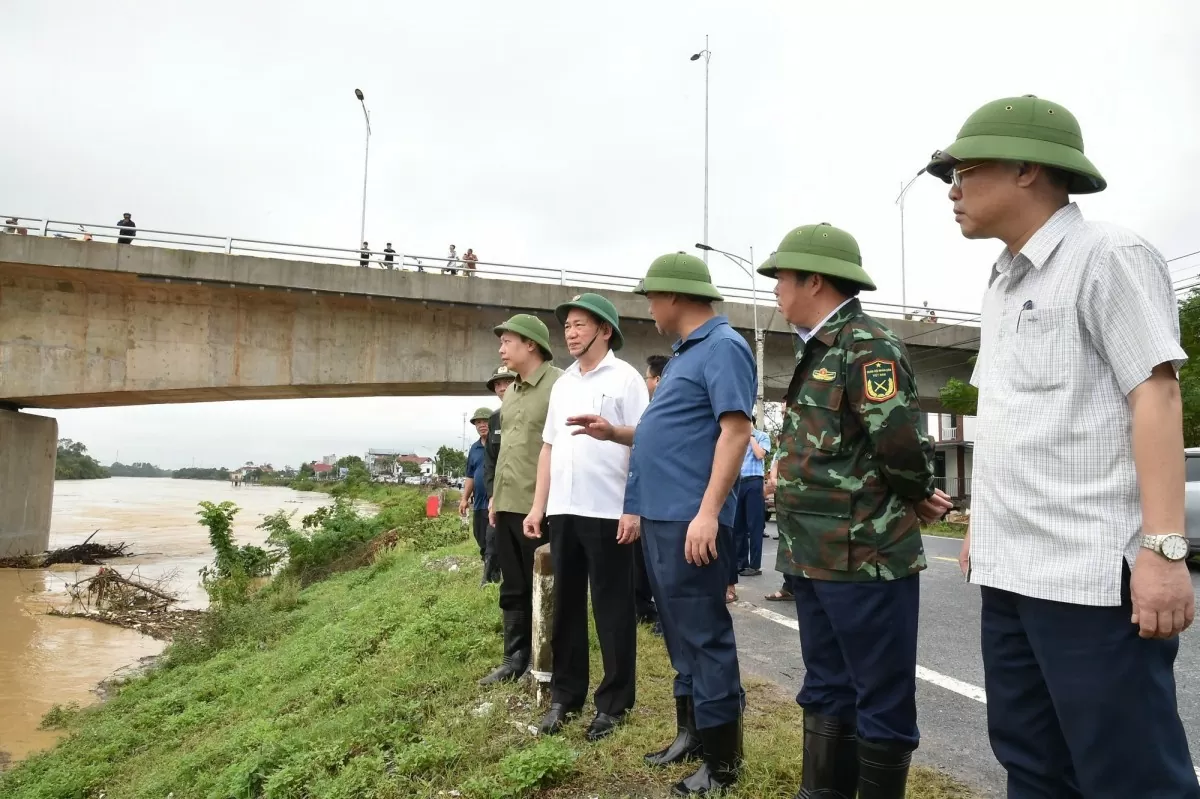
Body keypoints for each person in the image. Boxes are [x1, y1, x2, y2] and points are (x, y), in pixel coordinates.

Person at [925, 95, 1198, 798]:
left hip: (1088, 579)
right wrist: (981, 522)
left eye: (964, 171)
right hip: (1013, 573)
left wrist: (1165, 550)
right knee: (1032, 764)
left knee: (1130, 775)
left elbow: (1157, 396)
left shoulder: (1108, 255)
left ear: (1026, 169)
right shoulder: (1002, 280)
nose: (952, 191)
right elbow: (1016, 413)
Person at [757, 222, 951, 799]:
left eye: (781, 279)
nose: (775, 290)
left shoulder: (866, 345)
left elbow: (899, 442)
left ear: (814, 280)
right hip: (810, 553)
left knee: (881, 695)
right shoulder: (817, 347)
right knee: (825, 686)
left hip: (865, 555)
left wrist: (917, 492)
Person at [571, 252, 753, 796]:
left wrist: (708, 513)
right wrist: (617, 433)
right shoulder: (684, 355)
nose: (649, 307)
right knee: (678, 633)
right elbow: (669, 432)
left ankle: (723, 764)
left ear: (675, 296)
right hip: (659, 516)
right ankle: (692, 733)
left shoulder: (722, 348)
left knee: (705, 636)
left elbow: (736, 431)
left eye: (652, 297)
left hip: (687, 519)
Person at [525, 293, 649, 741]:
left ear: (605, 330)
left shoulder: (627, 379)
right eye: (568, 326)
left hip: (608, 511)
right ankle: (566, 695)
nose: (570, 333)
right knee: (567, 607)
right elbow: (549, 447)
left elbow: (643, 445)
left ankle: (614, 704)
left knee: (613, 609)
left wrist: (632, 507)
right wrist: (540, 506)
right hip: (566, 509)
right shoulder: (562, 384)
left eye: (579, 325)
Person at [479, 315, 563, 685]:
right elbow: (503, 451)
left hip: (540, 506)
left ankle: (546, 660)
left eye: (507, 342)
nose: (501, 349)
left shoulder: (560, 385)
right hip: (508, 503)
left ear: (530, 344)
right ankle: (515, 658)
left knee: (544, 586)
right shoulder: (510, 394)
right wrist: (496, 496)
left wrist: (540, 505)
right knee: (512, 584)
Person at [634, 354, 671, 633]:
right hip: (646, 497)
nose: (645, 383)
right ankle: (646, 608)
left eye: (647, 377)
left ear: (657, 380)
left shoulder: (669, 412)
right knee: (645, 561)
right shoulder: (649, 410)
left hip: (666, 500)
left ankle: (664, 617)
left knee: (665, 565)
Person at [481, 364, 518, 584]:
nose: (502, 388)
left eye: (507, 382)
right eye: (498, 384)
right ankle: (491, 579)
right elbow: (490, 462)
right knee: (493, 538)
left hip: (528, 494)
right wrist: (492, 495)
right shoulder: (494, 419)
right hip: (501, 495)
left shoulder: (534, 413)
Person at [462, 406, 495, 583]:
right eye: (478, 422)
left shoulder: (497, 443)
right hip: (479, 504)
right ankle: (490, 566)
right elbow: (470, 476)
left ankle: (489, 577)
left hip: (494, 503)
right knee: (480, 537)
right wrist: (464, 499)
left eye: (485, 421)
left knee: (492, 539)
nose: (482, 425)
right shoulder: (474, 448)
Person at [733, 427, 771, 579]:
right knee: (738, 525)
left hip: (754, 480)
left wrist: (751, 437)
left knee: (754, 525)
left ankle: (755, 565)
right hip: (738, 482)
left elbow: (760, 454)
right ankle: (741, 563)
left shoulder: (762, 436)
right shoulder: (737, 436)